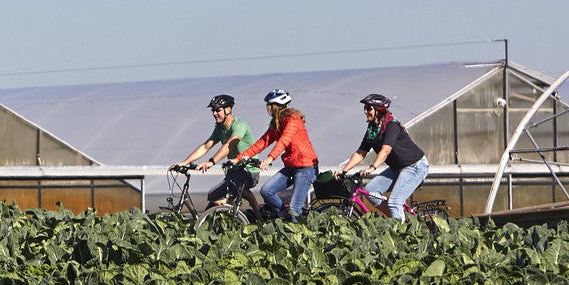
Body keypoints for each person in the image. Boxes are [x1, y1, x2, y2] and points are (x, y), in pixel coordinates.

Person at [338, 92, 431, 221]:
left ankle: (400, 233)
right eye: (365, 108)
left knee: (394, 202)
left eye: (368, 108)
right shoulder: (372, 129)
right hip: (397, 168)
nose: (365, 111)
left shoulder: (391, 125)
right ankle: (398, 219)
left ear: (378, 110)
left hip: (414, 166)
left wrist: (372, 167)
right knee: (371, 191)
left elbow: (385, 150)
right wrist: (344, 171)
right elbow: (360, 153)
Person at [231, 89, 319, 221]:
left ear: (277, 106)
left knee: (295, 208)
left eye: (270, 106)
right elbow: (262, 143)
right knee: (266, 191)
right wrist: (238, 158)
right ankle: (284, 216)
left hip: (306, 168)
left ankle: (297, 234)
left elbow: (284, 140)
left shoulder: (293, 120)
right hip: (291, 167)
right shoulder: (276, 124)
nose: (268, 109)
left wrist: (270, 158)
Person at [171, 93, 262, 211]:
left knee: (226, 196)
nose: (214, 113)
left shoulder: (239, 125)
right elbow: (206, 146)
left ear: (228, 109)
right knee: (213, 196)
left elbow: (229, 145)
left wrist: (211, 162)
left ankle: (240, 214)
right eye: (213, 111)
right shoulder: (219, 129)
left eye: (218, 110)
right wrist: (185, 162)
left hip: (248, 171)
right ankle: (218, 219)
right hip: (234, 172)